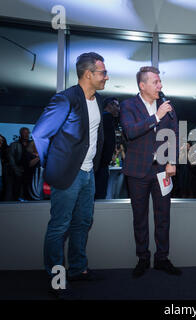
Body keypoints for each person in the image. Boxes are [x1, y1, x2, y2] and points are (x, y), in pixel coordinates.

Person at [32, 52, 107, 297]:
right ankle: (56, 276)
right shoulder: (65, 99)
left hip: (87, 174)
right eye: (102, 72)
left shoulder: (98, 101)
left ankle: (77, 269)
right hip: (67, 174)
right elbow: (40, 134)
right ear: (88, 74)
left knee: (82, 223)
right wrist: (53, 164)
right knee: (59, 226)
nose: (106, 77)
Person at [120, 66, 181, 278]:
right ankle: (143, 258)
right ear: (142, 85)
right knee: (140, 217)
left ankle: (162, 258)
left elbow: (174, 134)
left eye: (160, 81)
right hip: (137, 171)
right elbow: (130, 131)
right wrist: (156, 116)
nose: (160, 86)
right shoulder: (128, 105)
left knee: (163, 216)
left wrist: (171, 162)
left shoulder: (167, 106)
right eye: (156, 82)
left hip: (162, 170)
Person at [95, 97, 119, 199]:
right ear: (109, 105)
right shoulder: (107, 117)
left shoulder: (100, 117)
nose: (119, 109)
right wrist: (106, 160)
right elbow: (108, 142)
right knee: (100, 194)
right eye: (117, 106)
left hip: (98, 163)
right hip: (101, 164)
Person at [8, 127, 31, 201]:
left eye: (28, 133)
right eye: (25, 133)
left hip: (30, 169)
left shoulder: (32, 143)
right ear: (20, 133)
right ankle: (16, 202)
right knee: (17, 187)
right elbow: (11, 158)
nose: (26, 134)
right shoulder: (14, 144)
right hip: (19, 169)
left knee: (28, 188)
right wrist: (16, 169)